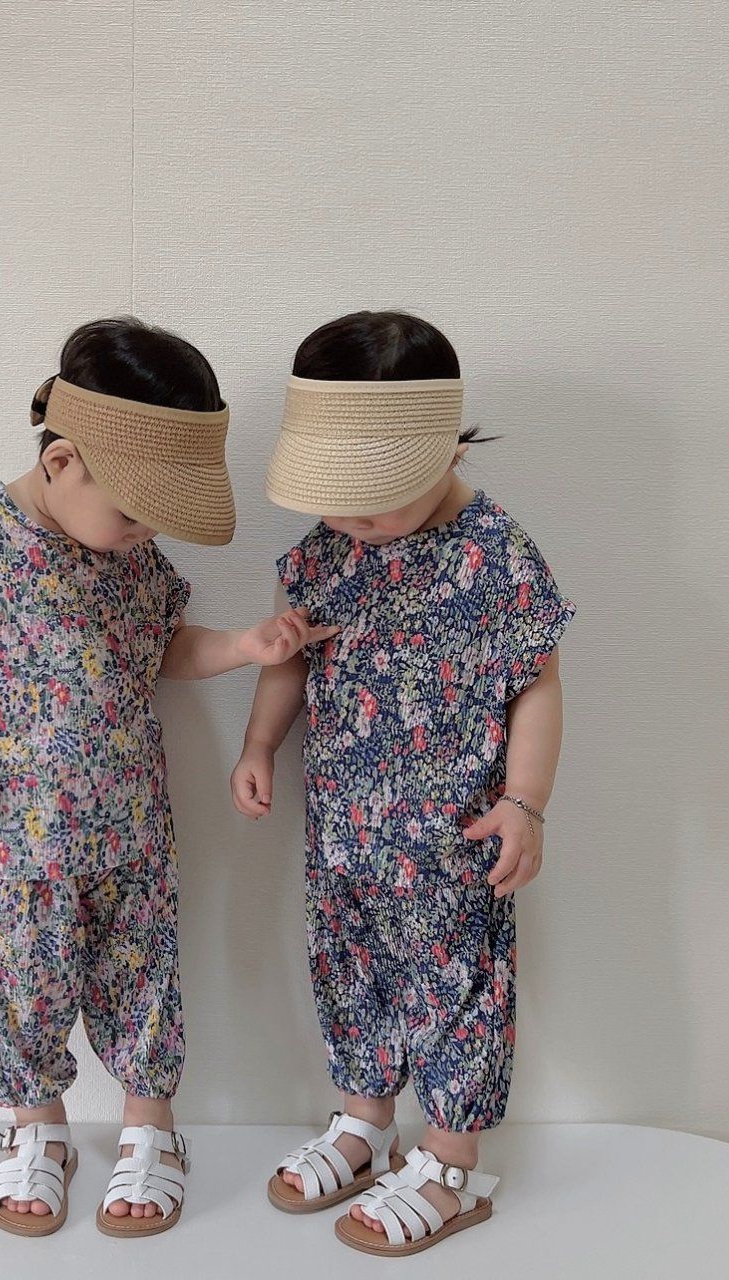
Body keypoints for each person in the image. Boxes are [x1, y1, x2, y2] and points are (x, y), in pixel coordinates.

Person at [0, 316, 336, 1238]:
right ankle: (37, 1129)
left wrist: (244, 646)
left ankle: (150, 1128)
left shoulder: (131, 559)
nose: (144, 535)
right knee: (22, 978)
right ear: (61, 463)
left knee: (143, 975)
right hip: (13, 835)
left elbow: (161, 646)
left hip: (130, 826)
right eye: (134, 513)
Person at [231, 310, 575, 1257]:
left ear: (446, 448)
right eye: (336, 504)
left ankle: (451, 1161)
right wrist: (259, 744)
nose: (352, 525)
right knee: (350, 971)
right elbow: (289, 655)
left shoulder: (497, 556)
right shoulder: (326, 549)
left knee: (458, 988)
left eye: (373, 504)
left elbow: (537, 684)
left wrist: (526, 802)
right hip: (343, 831)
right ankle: (363, 1119)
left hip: (454, 839)